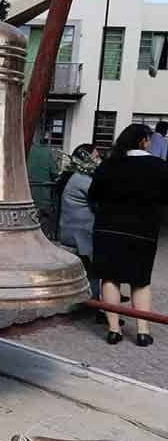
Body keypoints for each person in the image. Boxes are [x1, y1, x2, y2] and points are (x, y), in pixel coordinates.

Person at [89, 124, 168, 346]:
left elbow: (93, 194)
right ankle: (143, 331)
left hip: (108, 228)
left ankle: (114, 329)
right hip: (143, 231)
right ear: (143, 141)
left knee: (110, 277)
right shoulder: (160, 166)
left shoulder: (108, 164)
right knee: (140, 281)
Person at [57, 144, 101, 299]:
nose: (98, 159)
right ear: (85, 158)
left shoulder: (74, 176)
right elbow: (98, 203)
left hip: (73, 229)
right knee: (95, 269)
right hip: (81, 233)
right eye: (95, 156)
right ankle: (95, 304)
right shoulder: (83, 180)